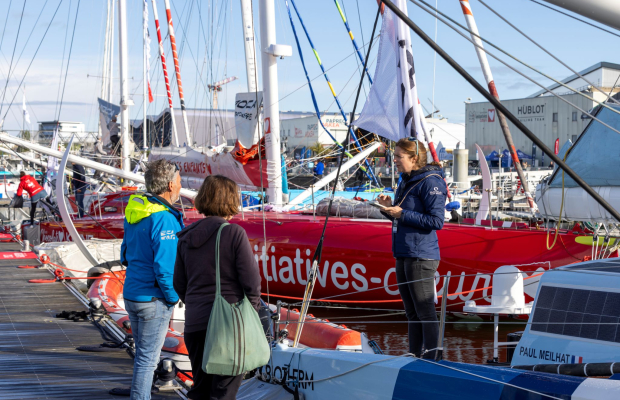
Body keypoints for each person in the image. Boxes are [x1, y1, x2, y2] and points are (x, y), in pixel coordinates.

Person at [174, 175, 261, 400]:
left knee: (200, 390)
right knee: (223, 393)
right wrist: (247, 313)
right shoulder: (233, 233)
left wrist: (196, 303)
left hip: (195, 323)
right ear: (231, 200)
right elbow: (251, 283)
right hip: (227, 326)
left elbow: (179, 284)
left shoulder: (185, 237)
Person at [376, 138, 447, 359]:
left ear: (414, 158)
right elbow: (402, 218)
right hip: (404, 252)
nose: (394, 160)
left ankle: (432, 358)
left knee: (425, 311)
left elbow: (437, 221)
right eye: (394, 155)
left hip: (421, 255)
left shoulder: (430, 182)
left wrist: (402, 213)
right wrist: (388, 209)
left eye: (398, 156)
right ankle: (414, 354)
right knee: (412, 312)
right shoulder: (407, 180)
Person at [121, 159, 184, 400]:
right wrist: (173, 297)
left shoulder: (136, 211)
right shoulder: (165, 218)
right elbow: (165, 267)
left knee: (142, 357)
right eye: (178, 182)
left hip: (132, 293)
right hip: (153, 298)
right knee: (148, 360)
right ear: (170, 185)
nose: (180, 186)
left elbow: (124, 253)